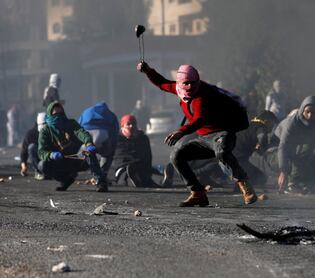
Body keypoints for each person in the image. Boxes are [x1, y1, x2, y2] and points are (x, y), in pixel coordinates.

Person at [137, 61, 256, 206]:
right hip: (204, 138)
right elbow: (162, 83)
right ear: (180, 83)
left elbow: (200, 119)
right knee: (176, 156)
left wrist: (181, 131)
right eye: (186, 83)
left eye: (193, 83)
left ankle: (245, 184)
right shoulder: (179, 89)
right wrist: (148, 70)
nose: (190, 87)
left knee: (221, 152)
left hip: (222, 133)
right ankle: (198, 192)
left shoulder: (202, 94)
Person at [38, 101, 108, 192]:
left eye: (60, 113)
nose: (58, 116)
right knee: (42, 165)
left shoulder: (71, 123)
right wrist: (51, 155)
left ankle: (101, 182)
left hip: (77, 160)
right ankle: (66, 179)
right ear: (50, 114)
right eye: (55, 114)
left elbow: (81, 133)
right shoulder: (45, 131)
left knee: (88, 151)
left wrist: (89, 143)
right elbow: (41, 152)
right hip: (59, 161)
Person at [112, 114, 173, 187]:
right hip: (123, 168)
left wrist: (148, 169)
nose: (131, 126)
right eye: (128, 124)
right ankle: (136, 179)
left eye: (133, 124)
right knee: (126, 176)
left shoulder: (143, 138)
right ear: (122, 126)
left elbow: (148, 156)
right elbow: (108, 157)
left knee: (149, 175)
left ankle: (164, 180)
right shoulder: (116, 139)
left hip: (140, 167)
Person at [79, 101, 119, 182]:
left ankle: (91, 171)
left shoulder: (87, 111)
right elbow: (115, 131)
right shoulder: (110, 113)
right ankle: (102, 175)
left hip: (87, 133)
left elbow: (78, 125)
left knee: (87, 151)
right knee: (107, 154)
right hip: (102, 134)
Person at [20, 112, 46, 180]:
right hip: (40, 160)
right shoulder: (31, 134)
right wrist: (24, 167)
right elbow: (24, 152)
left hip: (51, 159)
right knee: (32, 147)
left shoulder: (54, 131)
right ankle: (39, 172)